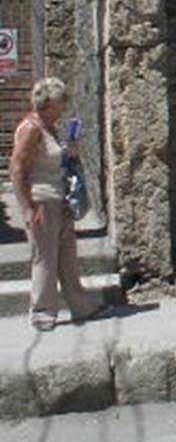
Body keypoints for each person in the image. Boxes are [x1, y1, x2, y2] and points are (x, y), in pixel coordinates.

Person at [9, 76, 105, 331]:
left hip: (58, 198)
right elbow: (17, 170)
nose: (64, 108)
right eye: (61, 103)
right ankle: (42, 312)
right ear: (49, 103)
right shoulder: (31, 129)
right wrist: (28, 208)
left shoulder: (49, 128)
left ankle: (81, 304)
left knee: (67, 255)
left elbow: (53, 161)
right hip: (42, 199)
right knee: (45, 257)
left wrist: (69, 152)